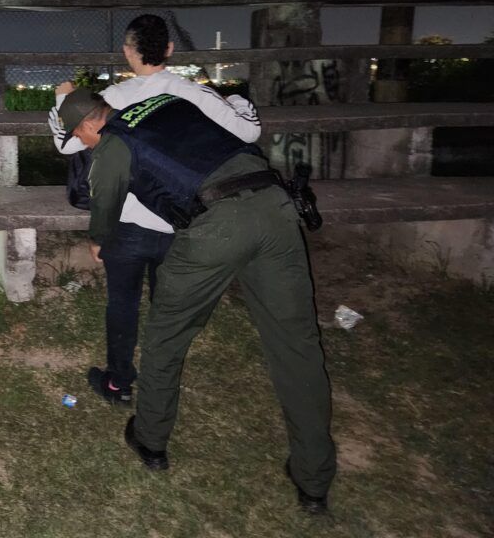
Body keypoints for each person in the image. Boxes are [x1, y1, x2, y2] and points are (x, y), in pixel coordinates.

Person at [58, 86, 335, 515]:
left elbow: (104, 208)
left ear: (89, 124)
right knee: (297, 345)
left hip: (215, 226)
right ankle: (314, 481)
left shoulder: (112, 143)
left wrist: (98, 242)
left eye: (81, 138)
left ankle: (150, 440)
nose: (85, 145)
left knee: (166, 336)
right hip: (276, 206)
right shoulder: (170, 102)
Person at [47, 14, 260, 405]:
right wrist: (238, 101)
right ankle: (164, 379)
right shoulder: (193, 93)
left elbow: (68, 143)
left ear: (128, 52)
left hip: (126, 222)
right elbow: (249, 130)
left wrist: (64, 97)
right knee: (169, 304)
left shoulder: (111, 100)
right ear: (169, 49)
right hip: (177, 221)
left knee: (122, 302)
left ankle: (118, 381)